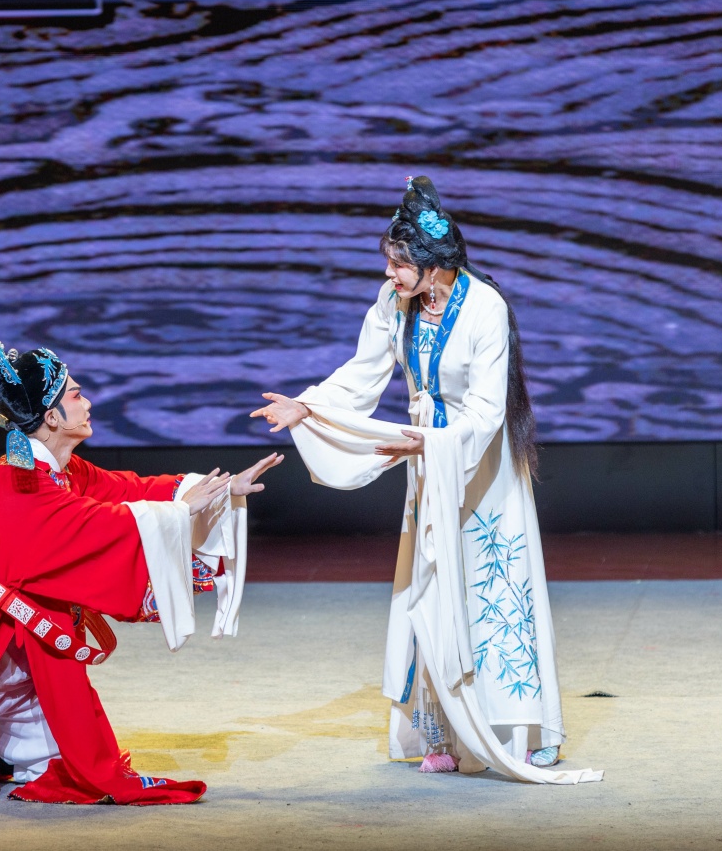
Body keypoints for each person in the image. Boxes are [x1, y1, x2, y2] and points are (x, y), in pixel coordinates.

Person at [252, 176, 600, 784]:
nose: (389, 273)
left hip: (481, 466)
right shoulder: (396, 304)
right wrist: (307, 406)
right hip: (428, 464)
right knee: (431, 588)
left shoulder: (485, 308)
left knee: (494, 589)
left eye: (398, 263)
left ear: (433, 263)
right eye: (388, 262)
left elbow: (487, 411)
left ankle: (522, 731)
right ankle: (441, 730)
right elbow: (362, 372)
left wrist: (433, 442)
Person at [0, 338, 283, 804]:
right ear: (51, 417)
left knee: (65, 769)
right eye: (76, 395)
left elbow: (126, 490)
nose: (88, 403)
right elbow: (85, 524)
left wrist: (222, 490)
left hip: (29, 670)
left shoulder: (65, 471)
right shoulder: (11, 480)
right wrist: (179, 513)